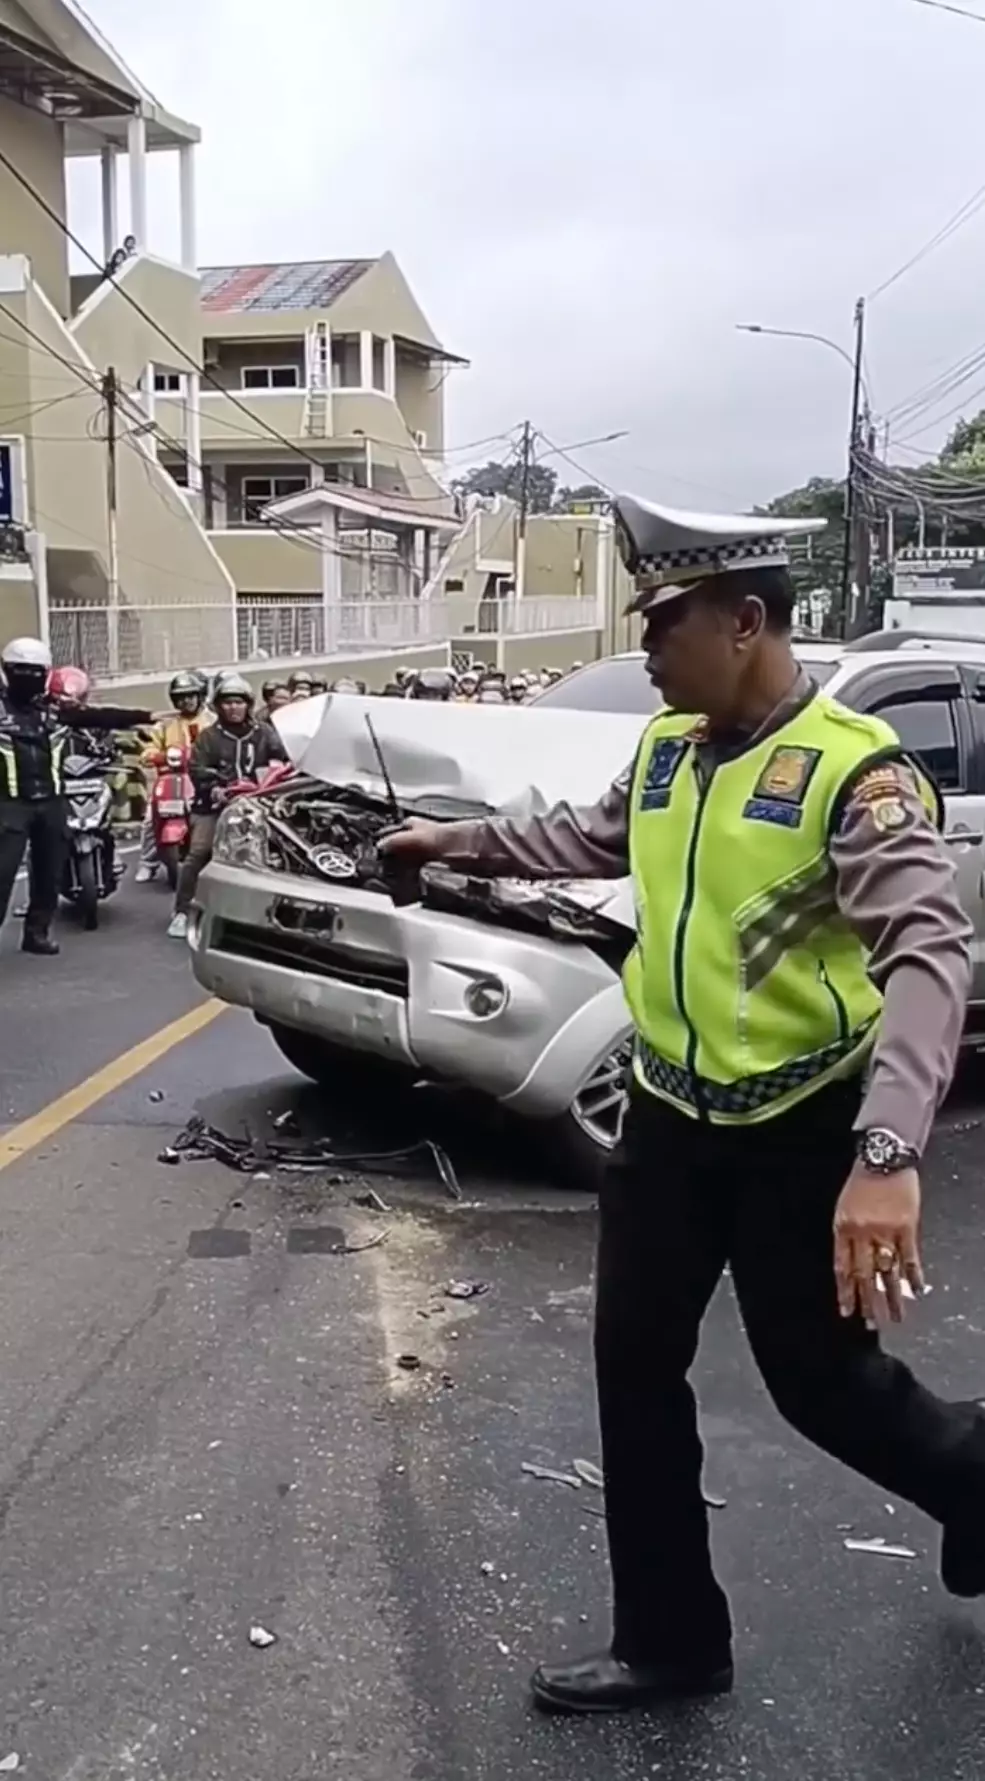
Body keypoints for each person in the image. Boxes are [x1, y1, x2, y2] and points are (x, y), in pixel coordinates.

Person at [379, 496, 985, 1715]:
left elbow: (929, 952)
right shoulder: (668, 747)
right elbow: (587, 834)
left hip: (802, 1128)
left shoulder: (851, 776)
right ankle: (669, 1639)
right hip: (666, 1121)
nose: (648, 650)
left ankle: (972, 1472)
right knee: (632, 1368)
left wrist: (886, 1152)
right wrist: (450, 838)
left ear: (744, 620)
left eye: (665, 626)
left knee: (819, 1383)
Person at [0, 639, 152, 953]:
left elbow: (99, 716)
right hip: (10, 803)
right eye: (21, 671)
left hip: (54, 800)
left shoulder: (54, 710)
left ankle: (37, 934)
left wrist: (145, 715)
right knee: (3, 874)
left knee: (49, 873)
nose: (28, 677)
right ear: (6, 672)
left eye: (35, 671)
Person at [168, 671, 287, 940]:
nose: (234, 708)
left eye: (239, 702)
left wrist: (272, 779)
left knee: (281, 852)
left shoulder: (265, 733)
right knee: (199, 852)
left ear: (248, 704)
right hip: (212, 805)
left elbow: (281, 761)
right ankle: (183, 911)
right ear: (218, 706)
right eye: (227, 702)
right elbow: (197, 769)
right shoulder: (209, 737)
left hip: (258, 803)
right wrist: (216, 789)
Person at [135, 671, 214, 884]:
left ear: (200, 696)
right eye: (180, 697)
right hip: (171, 778)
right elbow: (148, 749)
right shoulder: (166, 724)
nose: (185, 701)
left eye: (190, 695)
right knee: (151, 820)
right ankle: (147, 863)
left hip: (201, 778)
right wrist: (154, 755)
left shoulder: (212, 721)